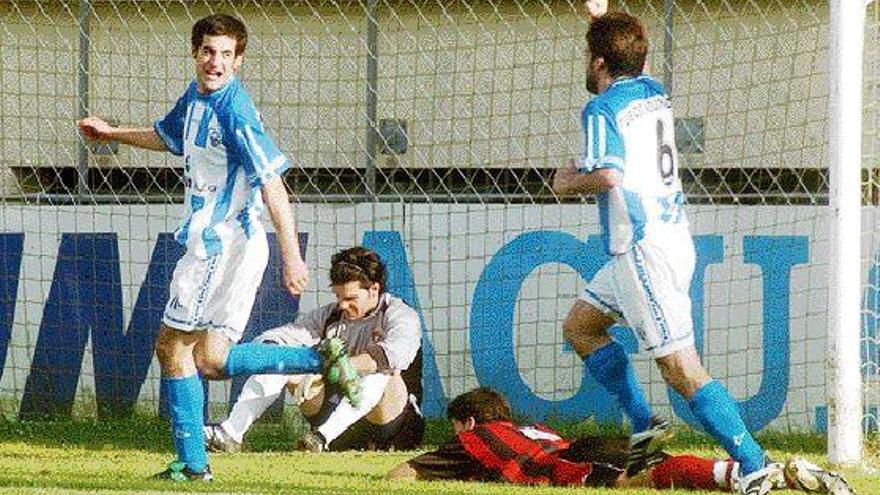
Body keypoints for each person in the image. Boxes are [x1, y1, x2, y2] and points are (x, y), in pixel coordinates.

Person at [77, 14, 359, 481]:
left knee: (172, 345)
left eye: (226, 54)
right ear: (195, 53)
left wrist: (292, 253)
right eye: (209, 51)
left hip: (221, 245)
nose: (216, 62)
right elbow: (168, 138)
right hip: (231, 245)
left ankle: (192, 466)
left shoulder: (236, 110)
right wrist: (112, 134)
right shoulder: (195, 98)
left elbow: (273, 185)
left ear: (239, 61)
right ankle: (318, 359)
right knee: (211, 359)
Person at [550, 6, 782, 495]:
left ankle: (755, 465)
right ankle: (644, 425)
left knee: (680, 368)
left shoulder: (601, 108)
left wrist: (567, 182)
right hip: (666, 238)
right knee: (581, 327)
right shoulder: (653, 91)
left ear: (597, 63)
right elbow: (630, 54)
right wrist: (605, 13)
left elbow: (609, 174)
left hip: (641, 250)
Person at [386, 388, 854, 495]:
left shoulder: (475, 439)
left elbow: (401, 473)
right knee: (658, 462)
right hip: (586, 443)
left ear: (468, 422)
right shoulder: (531, 427)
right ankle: (751, 470)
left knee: (646, 478)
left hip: (568, 464)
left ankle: (745, 475)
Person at [204, 246, 425, 453]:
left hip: (391, 423)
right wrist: (288, 360)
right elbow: (280, 336)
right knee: (278, 360)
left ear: (374, 289)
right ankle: (230, 434)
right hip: (338, 423)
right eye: (338, 297)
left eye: (350, 298)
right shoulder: (330, 316)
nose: (343, 306)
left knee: (383, 372)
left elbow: (398, 352)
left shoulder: (400, 314)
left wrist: (337, 368)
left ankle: (320, 438)